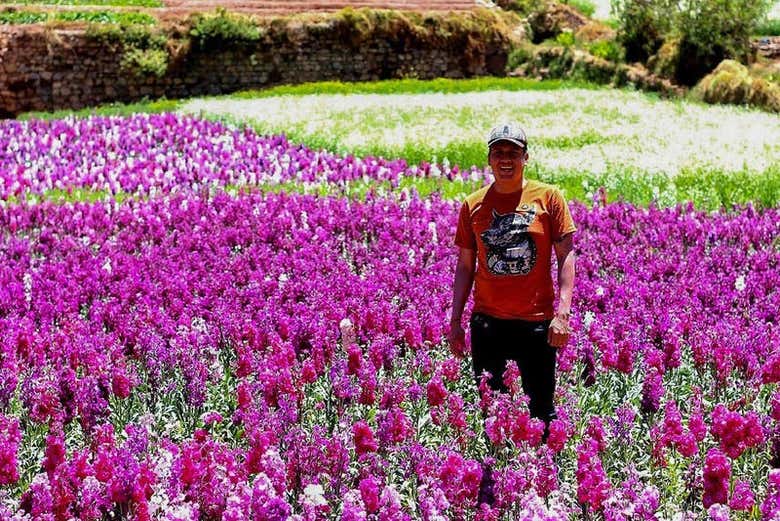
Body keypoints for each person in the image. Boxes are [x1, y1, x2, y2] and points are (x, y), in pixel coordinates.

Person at [447, 122, 576, 441]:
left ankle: (546, 484)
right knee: (492, 411)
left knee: (541, 412)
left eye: (513, 152)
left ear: (526, 157)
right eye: (499, 152)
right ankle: (499, 481)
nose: (506, 159)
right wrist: (455, 321)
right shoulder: (473, 204)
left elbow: (566, 257)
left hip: (536, 325)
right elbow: (464, 267)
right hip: (488, 325)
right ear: (489, 159)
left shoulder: (549, 198)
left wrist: (562, 315)